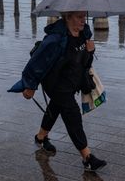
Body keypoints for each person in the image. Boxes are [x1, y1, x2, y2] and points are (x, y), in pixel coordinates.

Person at [9, 11, 107, 171]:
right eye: (79, 17)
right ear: (68, 17)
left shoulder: (85, 35)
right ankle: (87, 157)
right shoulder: (55, 39)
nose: (83, 20)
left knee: (55, 108)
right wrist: (30, 85)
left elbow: (85, 64)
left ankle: (40, 138)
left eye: (84, 16)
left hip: (72, 83)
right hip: (55, 84)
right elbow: (37, 62)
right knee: (72, 114)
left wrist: (90, 52)